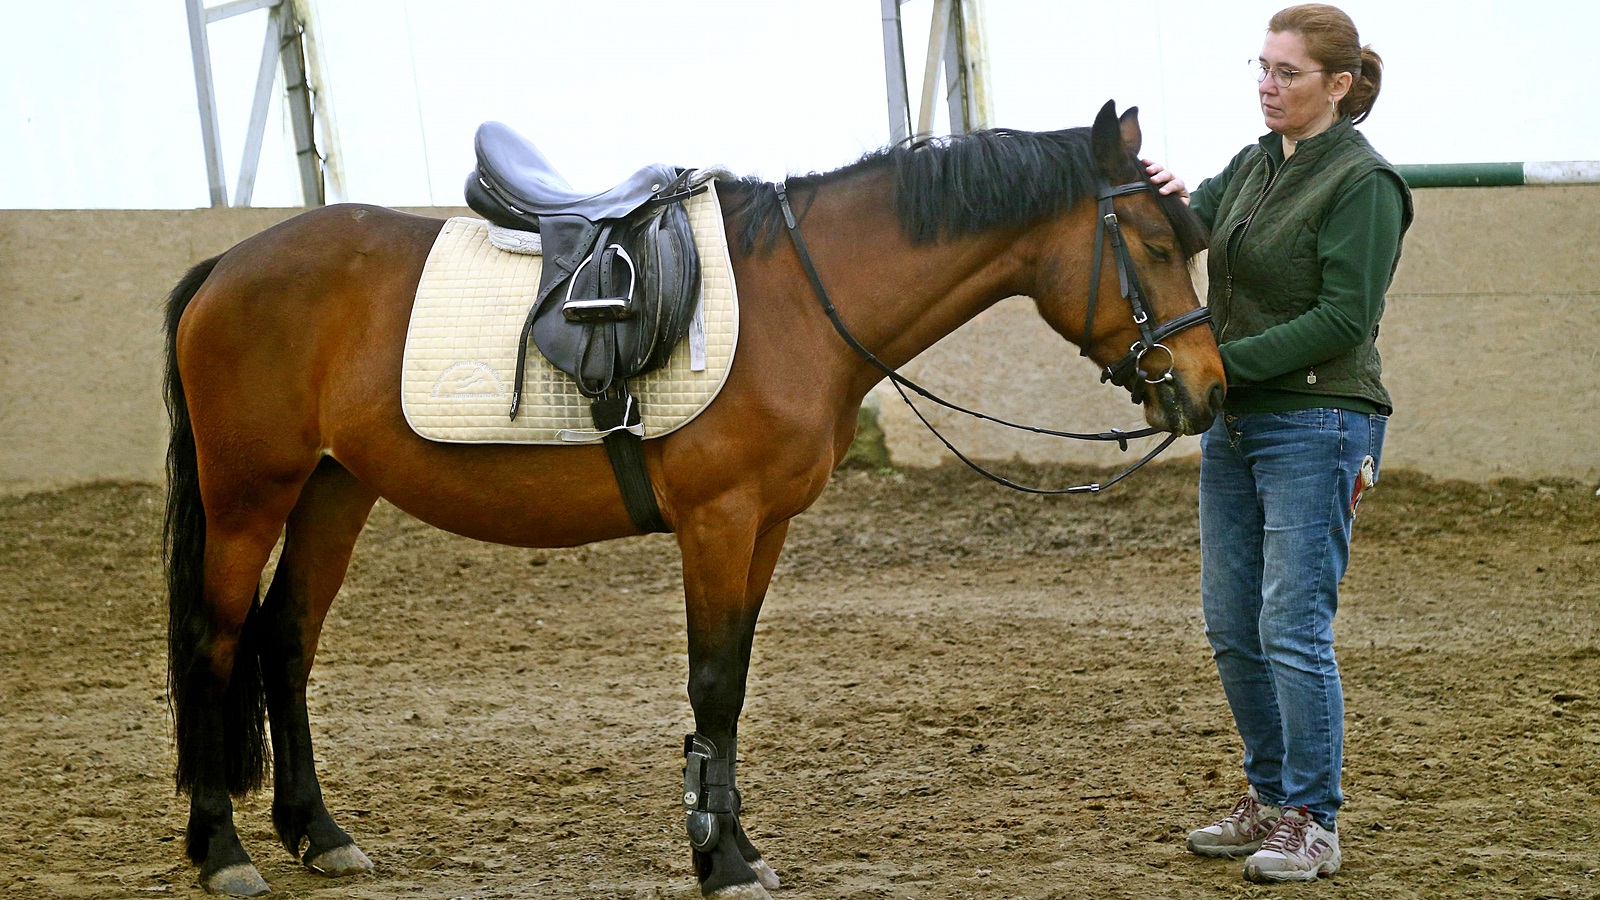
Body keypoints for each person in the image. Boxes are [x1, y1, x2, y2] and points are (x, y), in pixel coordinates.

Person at [1142, 3, 1413, 884]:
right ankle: (1269, 796)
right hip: (1243, 423)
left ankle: (1314, 818)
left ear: (1337, 86)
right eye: (1261, 67)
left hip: (1320, 419)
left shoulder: (1364, 184)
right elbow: (1192, 230)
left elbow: (1341, 319)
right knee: (1232, 624)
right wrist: (1151, 192)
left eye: (1287, 73)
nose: (1268, 84)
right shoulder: (1254, 164)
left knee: (1292, 626)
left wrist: (1218, 365)